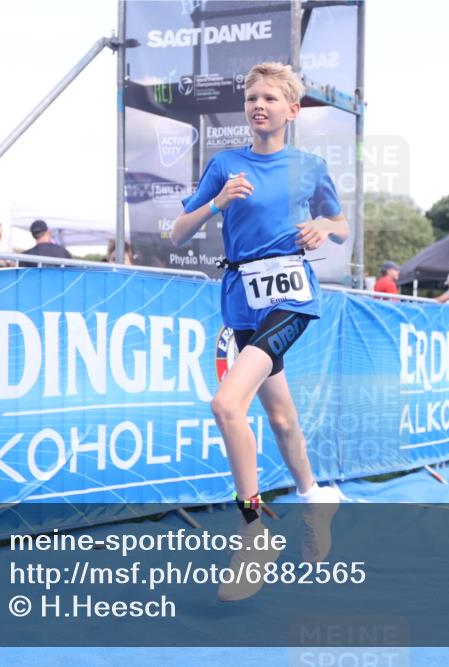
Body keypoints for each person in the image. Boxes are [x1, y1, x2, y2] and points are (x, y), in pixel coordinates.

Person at [170, 62, 348, 601]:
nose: (259, 106)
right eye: (251, 98)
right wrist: (216, 203)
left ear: (292, 110)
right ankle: (316, 498)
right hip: (241, 301)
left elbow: (341, 226)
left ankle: (253, 531)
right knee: (280, 415)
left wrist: (325, 226)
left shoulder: (310, 167)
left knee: (227, 405)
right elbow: (178, 234)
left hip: (292, 295)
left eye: (270, 98)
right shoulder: (224, 164)